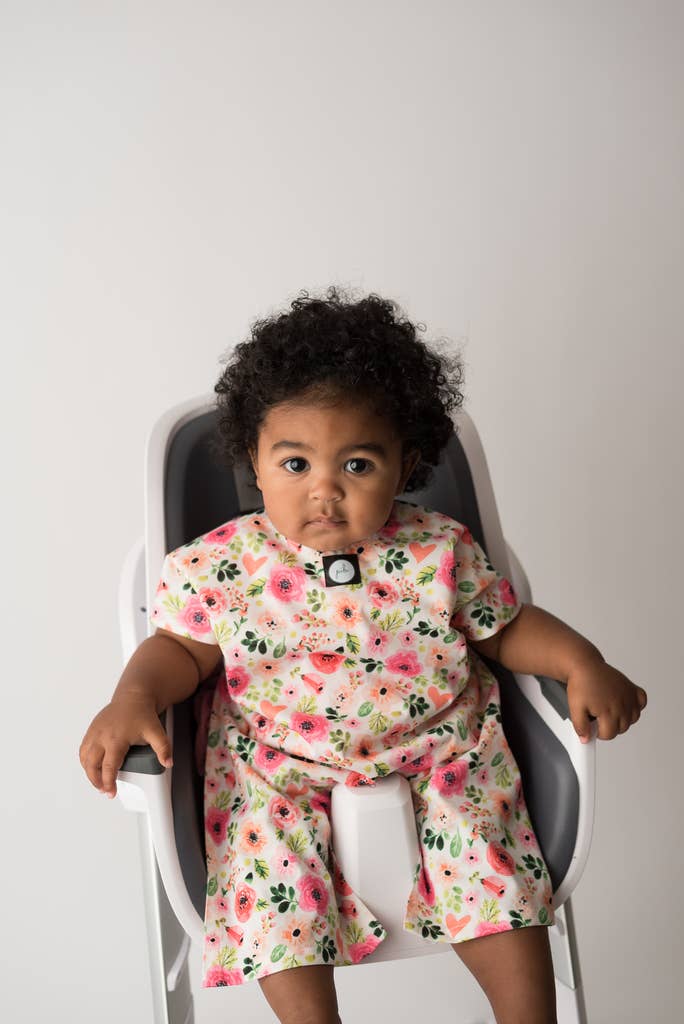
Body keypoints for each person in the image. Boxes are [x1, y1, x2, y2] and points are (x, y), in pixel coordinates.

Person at [80, 287, 647, 1024]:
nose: (324, 491)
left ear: (404, 466)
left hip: (442, 753)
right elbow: (179, 652)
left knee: (491, 867)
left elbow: (505, 629)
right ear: (254, 461)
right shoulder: (220, 564)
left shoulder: (436, 547)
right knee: (270, 880)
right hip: (278, 767)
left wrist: (581, 662)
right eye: (294, 464)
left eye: (356, 465)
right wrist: (132, 698)